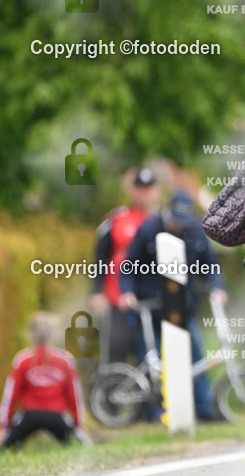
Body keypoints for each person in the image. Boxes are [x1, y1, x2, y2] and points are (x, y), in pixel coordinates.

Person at [119, 191, 228, 422]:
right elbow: (128, 264)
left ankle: (204, 409)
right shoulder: (148, 229)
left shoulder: (196, 232)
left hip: (182, 306)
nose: (179, 225)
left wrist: (217, 287)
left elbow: (210, 264)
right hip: (151, 305)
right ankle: (153, 412)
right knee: (150, 357)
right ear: (167, 211)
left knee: (195, 353)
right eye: (176, 219)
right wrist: (127, 292)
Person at [91, 168, 161, 367]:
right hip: (118, 298)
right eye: (140, 188)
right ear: (132, 190)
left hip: (150, 299)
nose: (144, 193)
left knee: (149, 356)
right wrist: (97, 291)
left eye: (149, 188)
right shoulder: (117, 219)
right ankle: (110, 395)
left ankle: (147, 398)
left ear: (157, 190)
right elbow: (100, 256)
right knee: (115, 355)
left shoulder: (165, 220)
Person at [1, 313, 89, 450]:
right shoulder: (65, 360)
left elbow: (10, 395)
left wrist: (4, 425)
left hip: (29, 415)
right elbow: (74, 396)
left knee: (5, 448)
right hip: (57, 415)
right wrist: (79, 423)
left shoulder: (22, 359)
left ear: (31, 334)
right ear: (54, 334)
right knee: (82, 448)